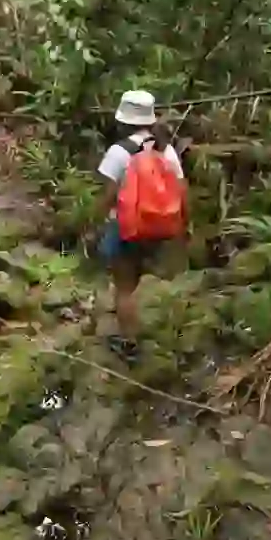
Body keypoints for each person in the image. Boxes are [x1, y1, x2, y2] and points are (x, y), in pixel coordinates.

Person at [96, 90, 188, 355]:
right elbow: (182, 189)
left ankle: (129, 343)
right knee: (151, 280)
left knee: (124, 286)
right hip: (162, 225)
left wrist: (96, 222)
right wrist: (184, 225)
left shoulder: (118, 152)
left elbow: (109, 194)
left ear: (124, 121)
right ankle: (165, 337)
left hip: (127, 227)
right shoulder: (167, 150)